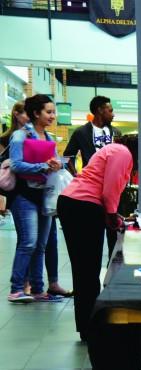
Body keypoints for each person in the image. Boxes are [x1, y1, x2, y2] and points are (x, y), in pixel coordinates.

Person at [57, 135, 137, 342]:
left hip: (74, 203)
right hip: (83, 206)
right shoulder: (123, 153)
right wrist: (112, 215)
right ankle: (91, 328)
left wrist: (111, 215)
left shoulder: (112, 150)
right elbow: (110, 189)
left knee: (84, 269)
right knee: (88, 270)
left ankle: (86, 326)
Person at [7, 94, 62, 304]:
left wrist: (58, 165)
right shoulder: (21, 136)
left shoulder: (48, 139)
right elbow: (16, 165)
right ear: (36, 113)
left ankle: (38, 289)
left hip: (44, 196)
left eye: (53, 112)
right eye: (48, 112)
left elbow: (59, 162)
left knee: (41, 245)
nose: (53, 116)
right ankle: (16, 289)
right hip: (24, 196)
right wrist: (43, 166)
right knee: (28, 242)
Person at [63, 95, 121, 175]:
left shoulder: (116, 132)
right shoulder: (81, 132)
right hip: (91, 179)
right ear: (100, 110)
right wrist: (75, 174)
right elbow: (67, 155)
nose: (113, 115)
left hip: (112, 178)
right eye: (110, 111)